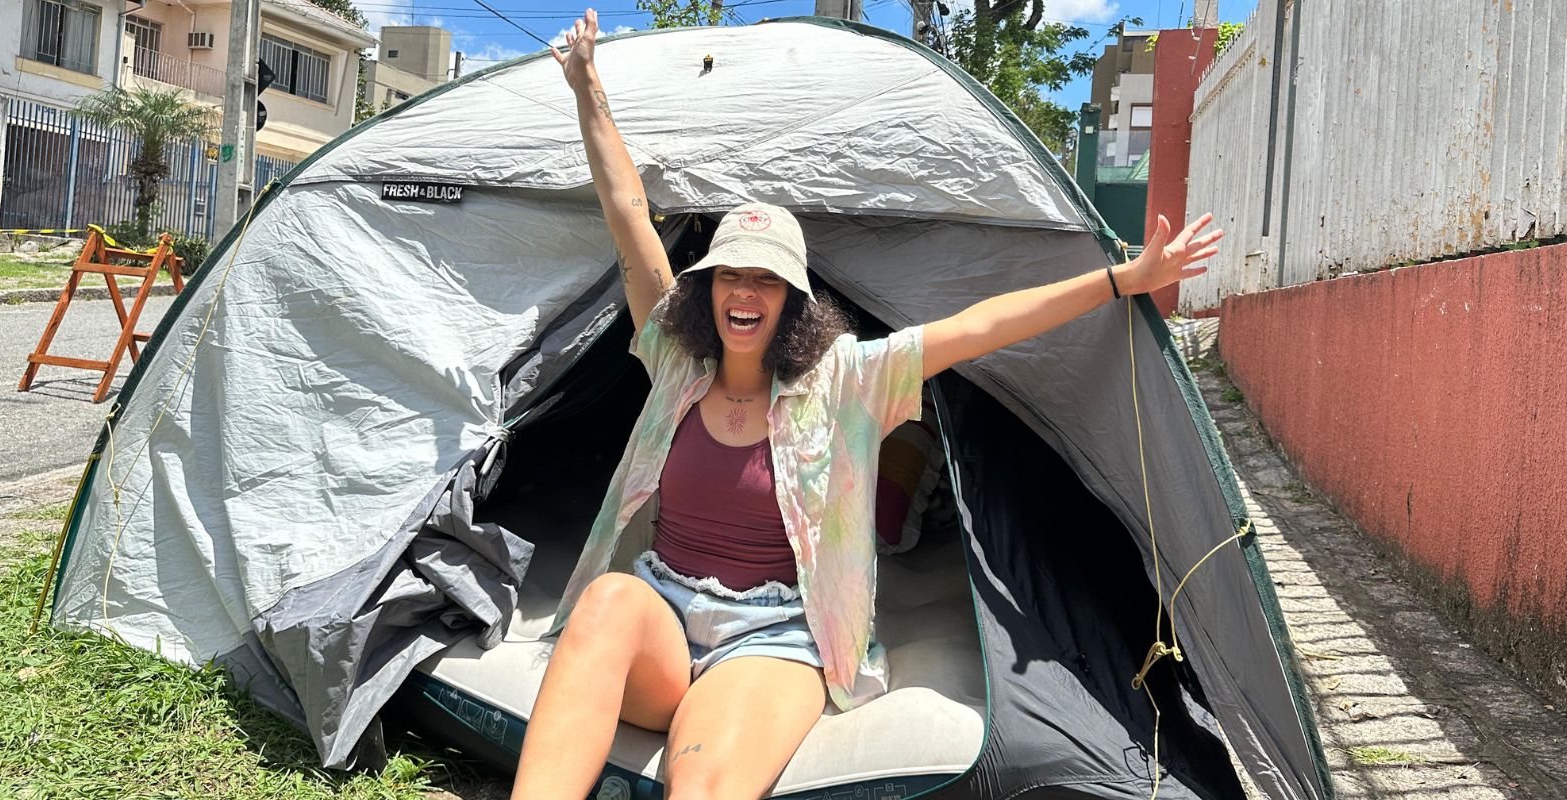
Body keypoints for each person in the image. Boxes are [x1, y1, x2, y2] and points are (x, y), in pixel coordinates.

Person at [514, 10, 1223, 799]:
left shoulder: (844, 380)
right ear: (707, 289)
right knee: (607, 599)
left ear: (791, 301)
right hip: (665, 615)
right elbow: (629, 217)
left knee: (703, 787)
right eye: (729, 274)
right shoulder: (677, 361)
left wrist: (1119, 280)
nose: (744, 290)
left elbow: (976, 327)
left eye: (766, 279)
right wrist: (587, 88)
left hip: (775, 636)